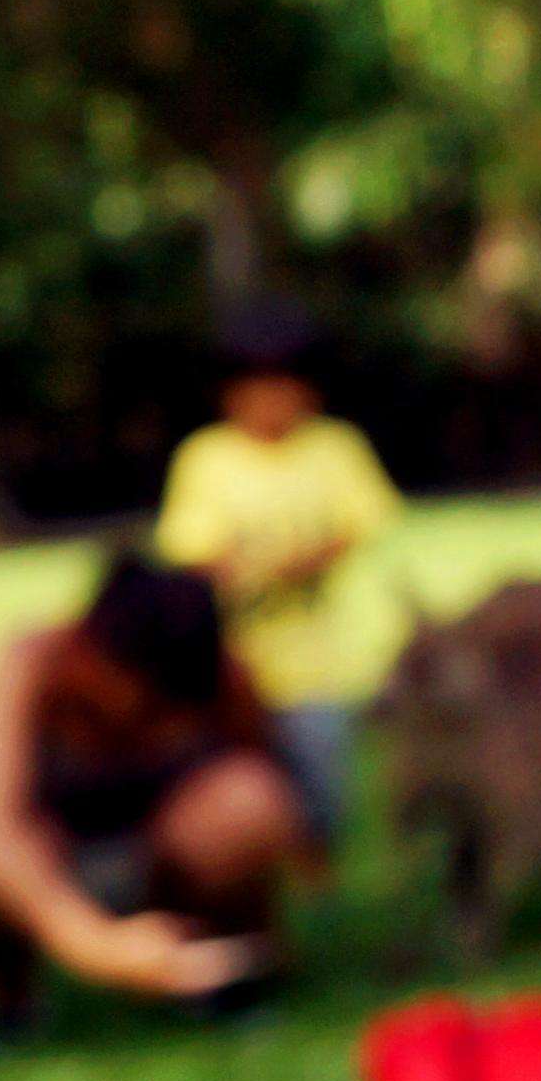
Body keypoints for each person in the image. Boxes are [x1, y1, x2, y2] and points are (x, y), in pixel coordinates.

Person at [0, 554, 296, 1032]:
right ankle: (13, 1007)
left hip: (165, 856)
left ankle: (227, 971)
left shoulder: (220, 681)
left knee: (248, 803)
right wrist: (94, 945)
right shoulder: (33, 666)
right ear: (88, 646)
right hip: (56, 863)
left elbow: (275, 800)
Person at [154, 305, 402, 847]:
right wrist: (246, 572)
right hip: (233, 671)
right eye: (254, 388)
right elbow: (190, 550)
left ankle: (317, 881)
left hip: (316, 671)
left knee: (320, 795)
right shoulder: (207, 458)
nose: (270, 403)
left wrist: (300, 563)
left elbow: (363, 520)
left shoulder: (334, 448)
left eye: (283, 386)